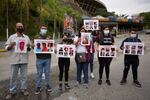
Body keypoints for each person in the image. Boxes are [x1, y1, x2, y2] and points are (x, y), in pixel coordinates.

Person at [5, 22, 31, 99]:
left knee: (24, 76)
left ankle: (24, 89)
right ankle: (12, 91)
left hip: (24, 60)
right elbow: (6, 47)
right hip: (14, 60)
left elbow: (29, 49)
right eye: (18, 26)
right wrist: (10, 45)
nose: (20, 27)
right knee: (13, 77)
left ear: (23, 27)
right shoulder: (12, 37)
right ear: (16, 28)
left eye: (21, 26)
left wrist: (29, 47)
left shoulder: (26, 37)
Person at [33, 25, 52, 94]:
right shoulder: (36, 37)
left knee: (47, 73)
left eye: (45, 29)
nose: (44, 29)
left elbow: (52, 46)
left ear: (46, 30)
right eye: (42, 28)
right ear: (40, 30)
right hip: (39, 58)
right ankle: (38, 87)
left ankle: (47, 85)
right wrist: (33, 46)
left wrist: (50, 41)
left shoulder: (49, 37)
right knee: (39, 73)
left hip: (48, 58)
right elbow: (33, 46)